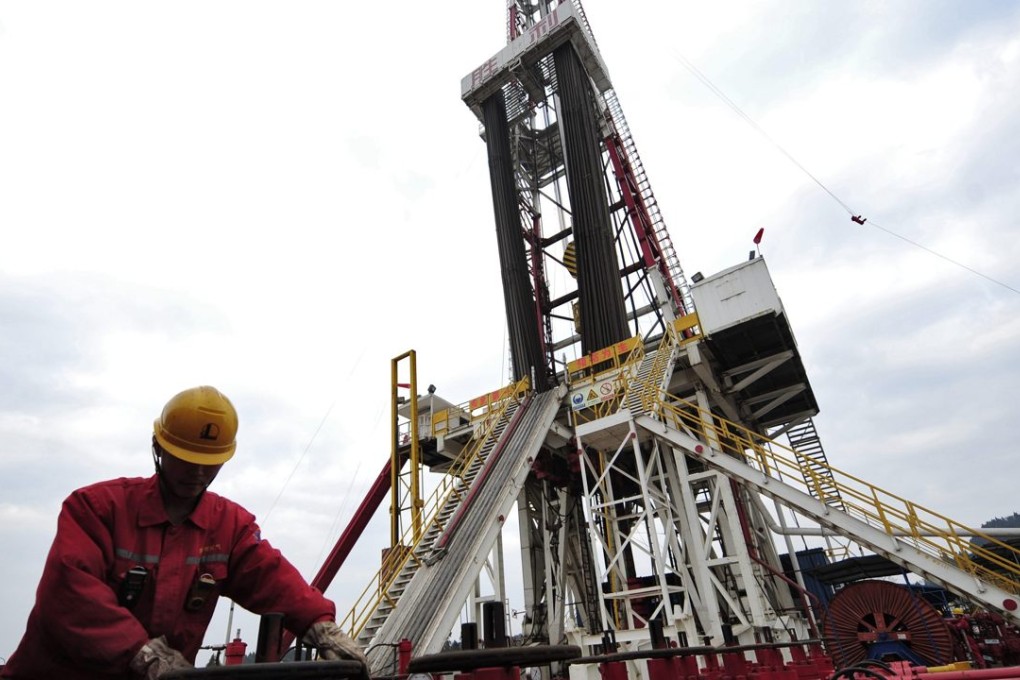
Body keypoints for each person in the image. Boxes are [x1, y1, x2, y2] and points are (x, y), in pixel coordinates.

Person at [1, 386, 367, 679]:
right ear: (158, 448)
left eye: (209, 464)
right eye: (186, 459)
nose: (197, 473)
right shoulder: (97, 509)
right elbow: (69, 593)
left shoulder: (228, 527)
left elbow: (270, 577)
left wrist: (321, 626)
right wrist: (140, 653)